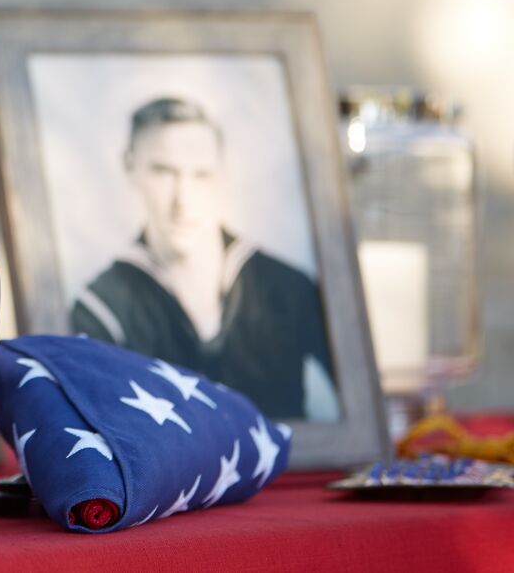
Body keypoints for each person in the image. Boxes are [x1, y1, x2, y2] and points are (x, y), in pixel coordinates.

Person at [69, 97, 339, 421]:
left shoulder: (287, 287)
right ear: (130, 167)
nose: (182, 199)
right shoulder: (101, 311)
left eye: (201, 174)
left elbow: (356, 414)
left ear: (222, 172)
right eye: (162, 172)